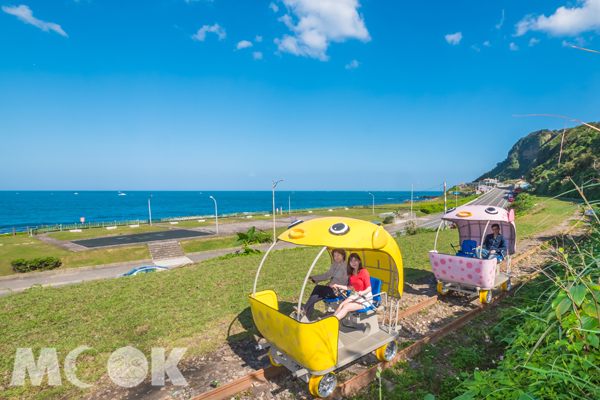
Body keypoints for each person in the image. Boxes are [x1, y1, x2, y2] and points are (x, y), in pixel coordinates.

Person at [299, 248, 348, 318]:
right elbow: (326, 275)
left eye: (338, 255)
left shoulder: (346, 266)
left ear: (343, 255)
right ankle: (306, 312)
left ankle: (305, 310)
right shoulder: (334, 264)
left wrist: (333, 283)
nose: (336, 257)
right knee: (318, 291)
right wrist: (314, 277)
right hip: (330, 288)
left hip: (339, 290)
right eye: (334, 255)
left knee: (318, 289)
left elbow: (344, 280)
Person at [331, 253, 372, 321]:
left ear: (359, 261)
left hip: (365, 297)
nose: (353, 263)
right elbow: (350, 288)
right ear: (349, 263)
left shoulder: (364, 272)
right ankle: (331, 321)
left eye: (355, 260)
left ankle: (332, 322)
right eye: (351, 261)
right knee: (341, 305)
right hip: (356, 295)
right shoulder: (351, 273)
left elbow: (369, 288)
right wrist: (338, 285)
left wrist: (362, 292)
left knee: (346, 306)